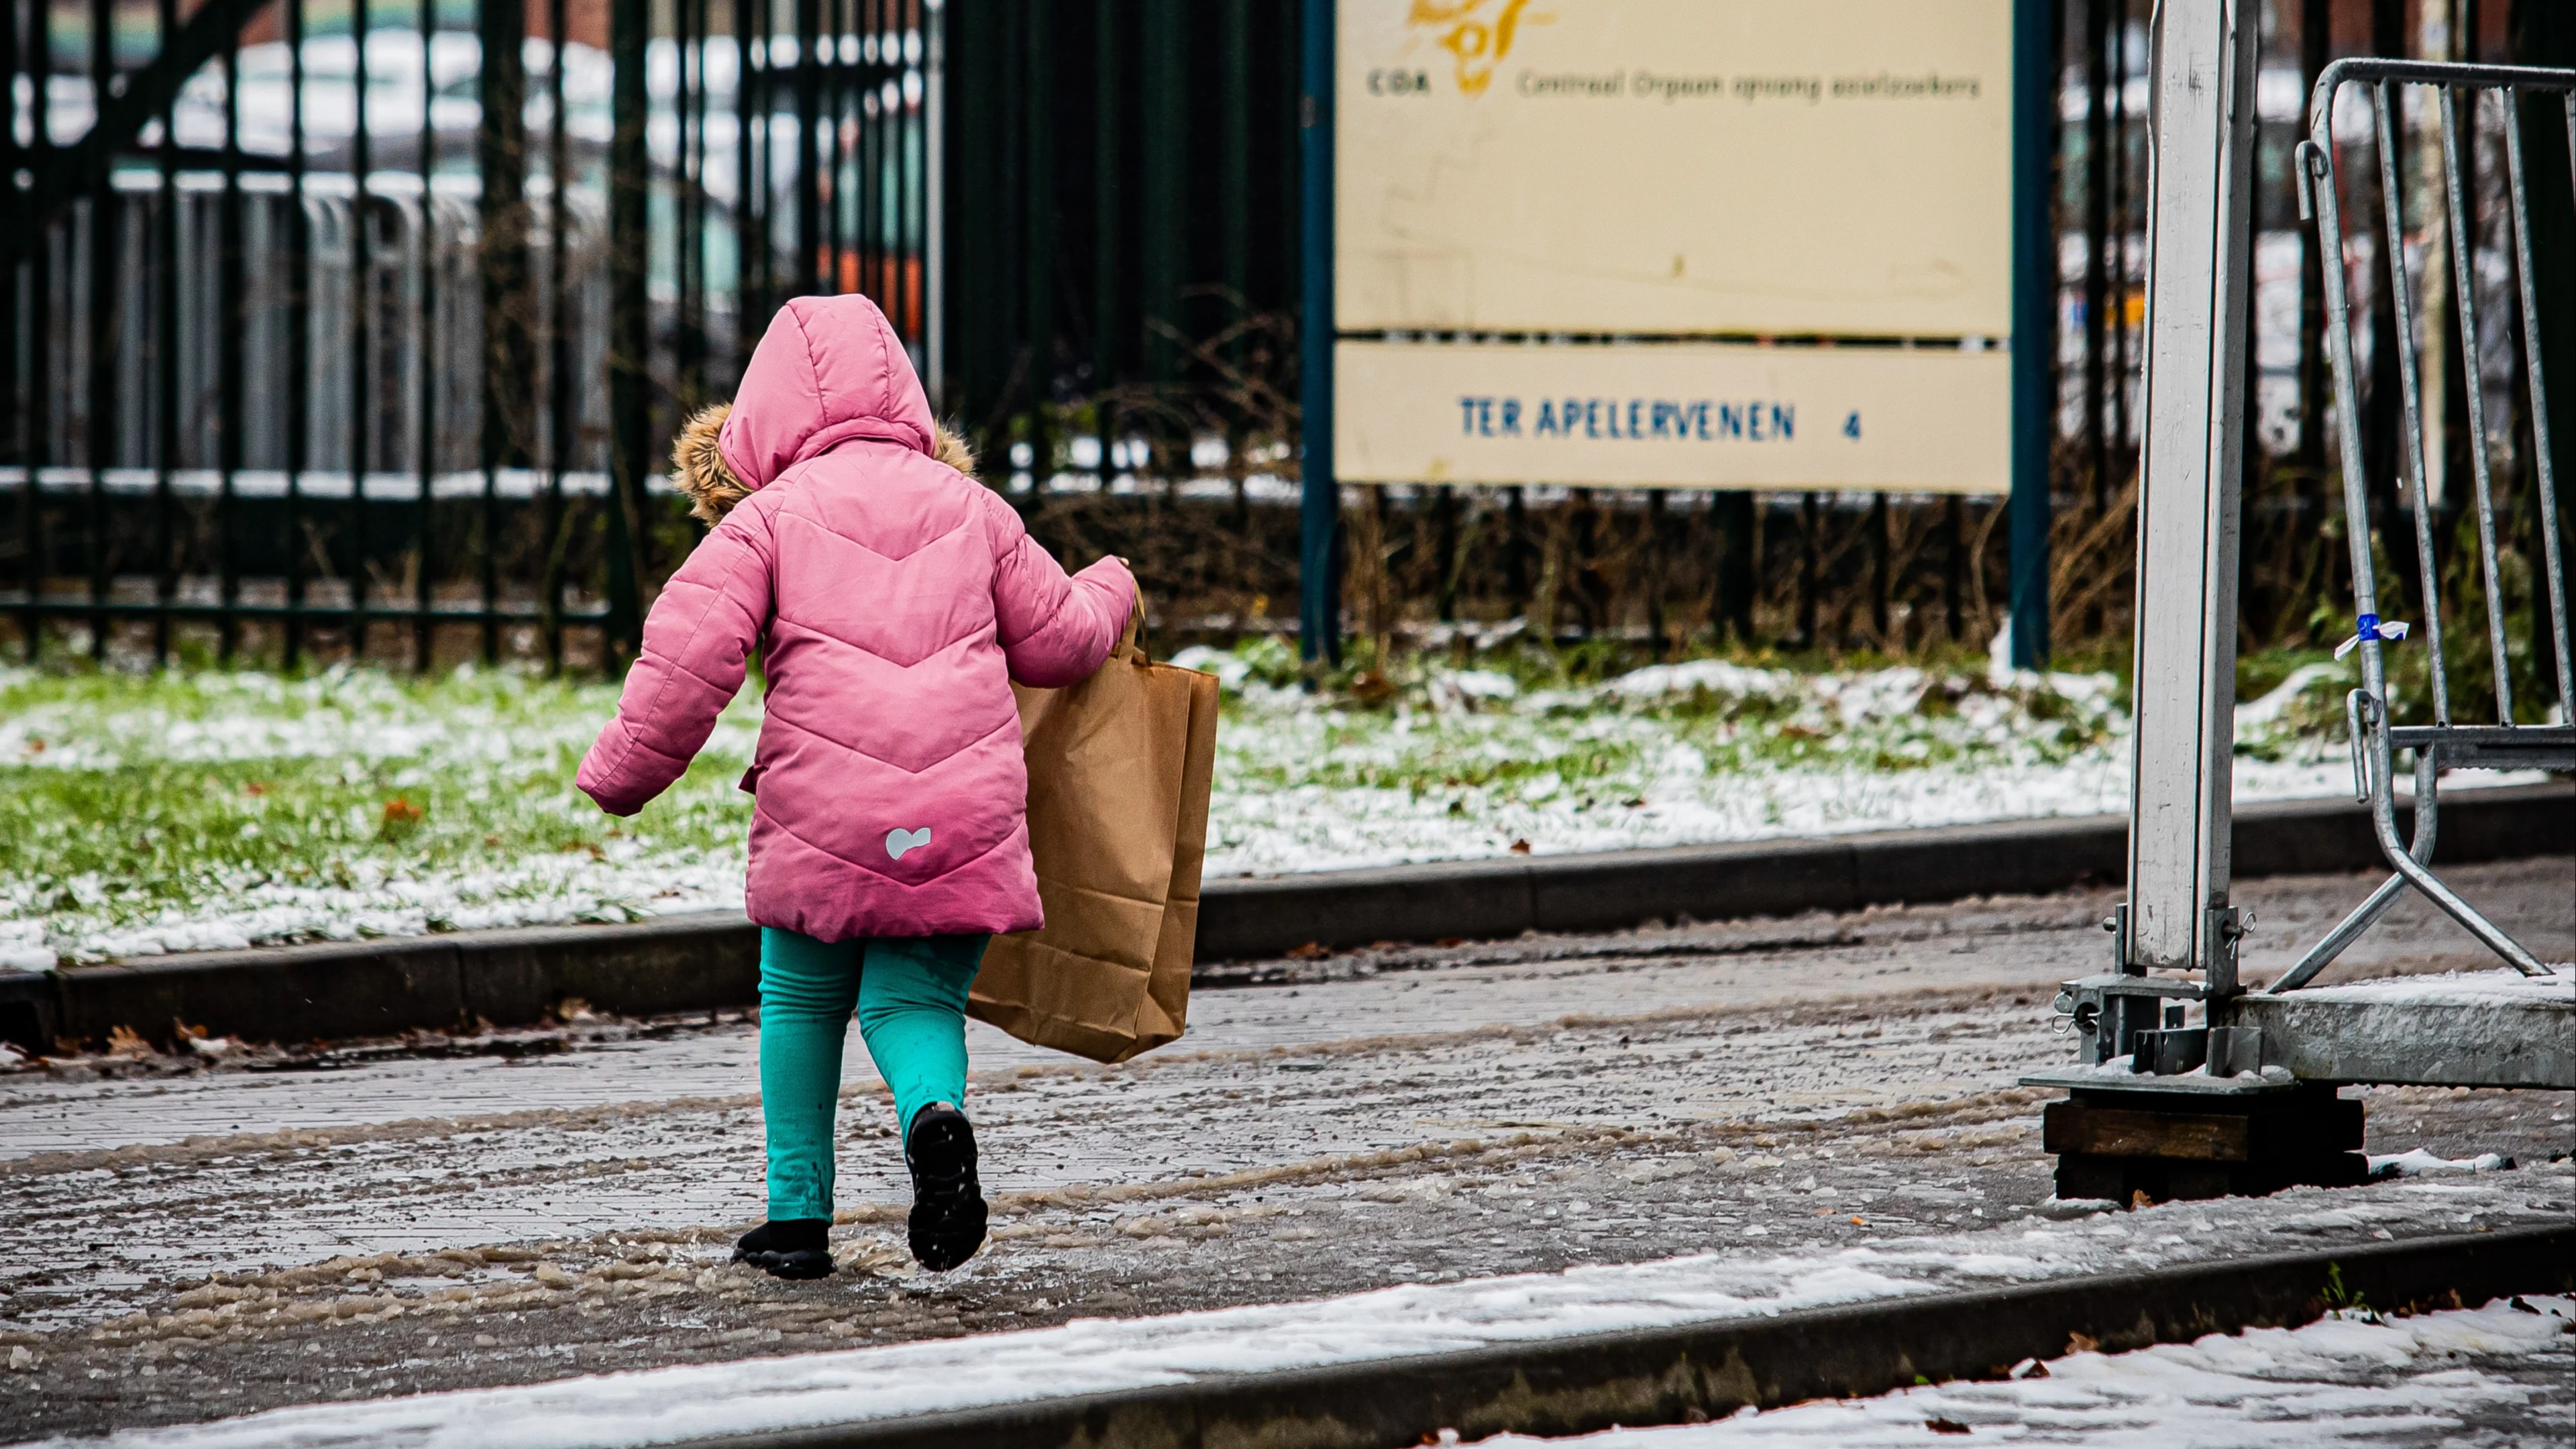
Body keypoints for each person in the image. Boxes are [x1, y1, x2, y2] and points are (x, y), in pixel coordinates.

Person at [575, 294, 1134, 1279]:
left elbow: (685, 662)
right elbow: (1062, 641)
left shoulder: (767, 519)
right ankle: (935, 1122)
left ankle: (796, 1219)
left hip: (821, 811)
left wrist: (623, 775)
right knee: (910, 1000)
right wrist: (1113, 584)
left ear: (763, 415)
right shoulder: (974, 510)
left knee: (798, 996)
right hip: (963, 813)